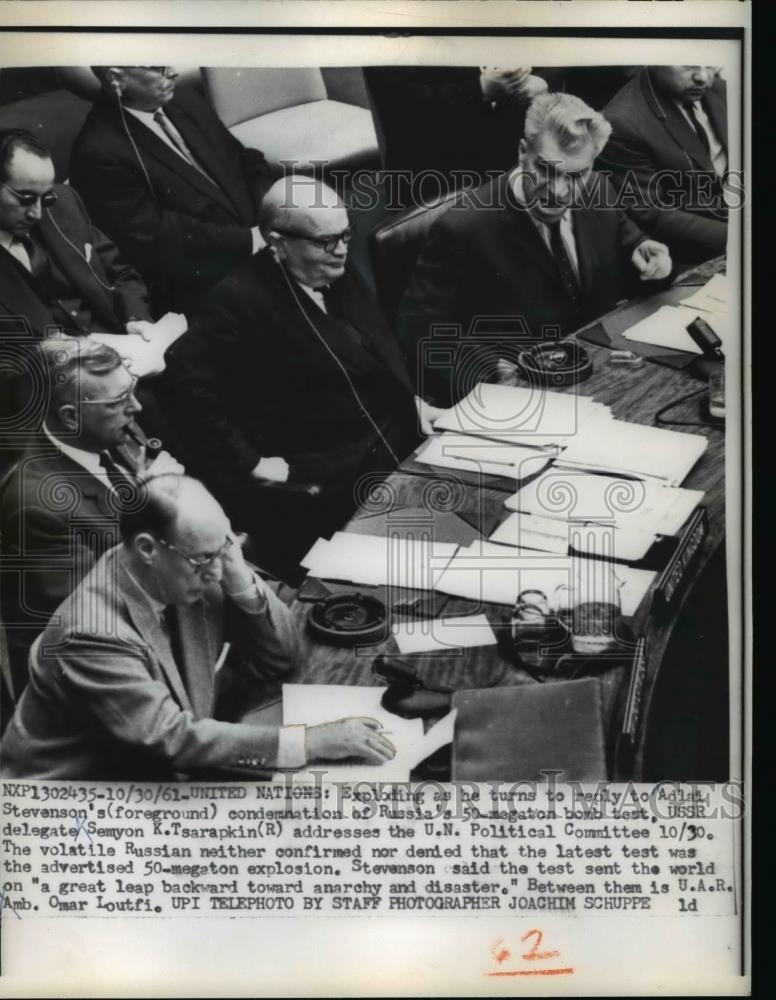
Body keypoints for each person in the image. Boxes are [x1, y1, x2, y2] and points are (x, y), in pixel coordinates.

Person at [1, 473, 397, 780]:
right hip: (72, 800)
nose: (216, 571)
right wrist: (310, 742)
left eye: (225, 546)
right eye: (206, 558)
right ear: (147, 549)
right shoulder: (91, 632)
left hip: (150, 773)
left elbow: (280, 657)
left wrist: (240, 579)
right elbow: (173, 738)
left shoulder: (189, 568)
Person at [169, 176, 442, 574]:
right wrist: (249, 462)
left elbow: (378, 350)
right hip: (326, 470)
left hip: (388, 437)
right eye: (326, 241)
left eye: (346, 235)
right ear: (278, 243)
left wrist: (411, 401)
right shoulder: (236, 302)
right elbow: (189, 384)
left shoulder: (336, 269)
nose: (342, 251)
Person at [399, 91, 673, 406]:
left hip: (601, 371)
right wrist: (491, 370)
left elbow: (627, 246)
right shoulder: (462, 228)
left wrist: (649, 256)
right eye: (545, 169)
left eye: (575, 175)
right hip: (526, 391)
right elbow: (418, 326)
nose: (557, 191)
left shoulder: (599, 189)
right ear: (522, 152)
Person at [0, 337, 184, 707]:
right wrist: (159, 508)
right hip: (101, 688)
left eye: (130, 390)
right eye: (118, 402)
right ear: (71, 416)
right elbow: (96, 626)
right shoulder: (35, 507)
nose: (136, 407)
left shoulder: (103, 434)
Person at [69, 66, 279, 313]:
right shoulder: (97, 152)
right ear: (116, 78)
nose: (174, 72)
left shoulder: (184, 98)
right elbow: (155, 238)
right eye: (158, 67)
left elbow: (244, 160)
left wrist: (274, 214)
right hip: (205, 276)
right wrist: (251, 240)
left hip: (261, 238)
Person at [0, 128, 155, 339]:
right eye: (25, 199)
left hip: (124, 344)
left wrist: (135, 319)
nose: (37, 213)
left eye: (46, 198)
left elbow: (121, 273)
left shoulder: (64, 204)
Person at [600, 65, 728, 265]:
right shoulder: (622, 121)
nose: (703, 77)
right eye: (688, 64)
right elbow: (648, 212)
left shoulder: (723, 90)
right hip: (690, 258)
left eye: (710, 63)